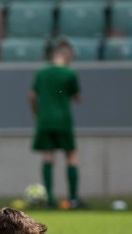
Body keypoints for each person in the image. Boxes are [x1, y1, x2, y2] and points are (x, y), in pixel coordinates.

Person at [28, 40, 85, 209]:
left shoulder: (42, 73)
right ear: (66, 55)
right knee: (71, 156)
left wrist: (37, 114)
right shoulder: (69, 73)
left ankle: (50, 200)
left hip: (44, 121)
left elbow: (31, 96)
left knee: (48, 157)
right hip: (63, 121)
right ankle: (73, 199)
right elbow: (78, 97)